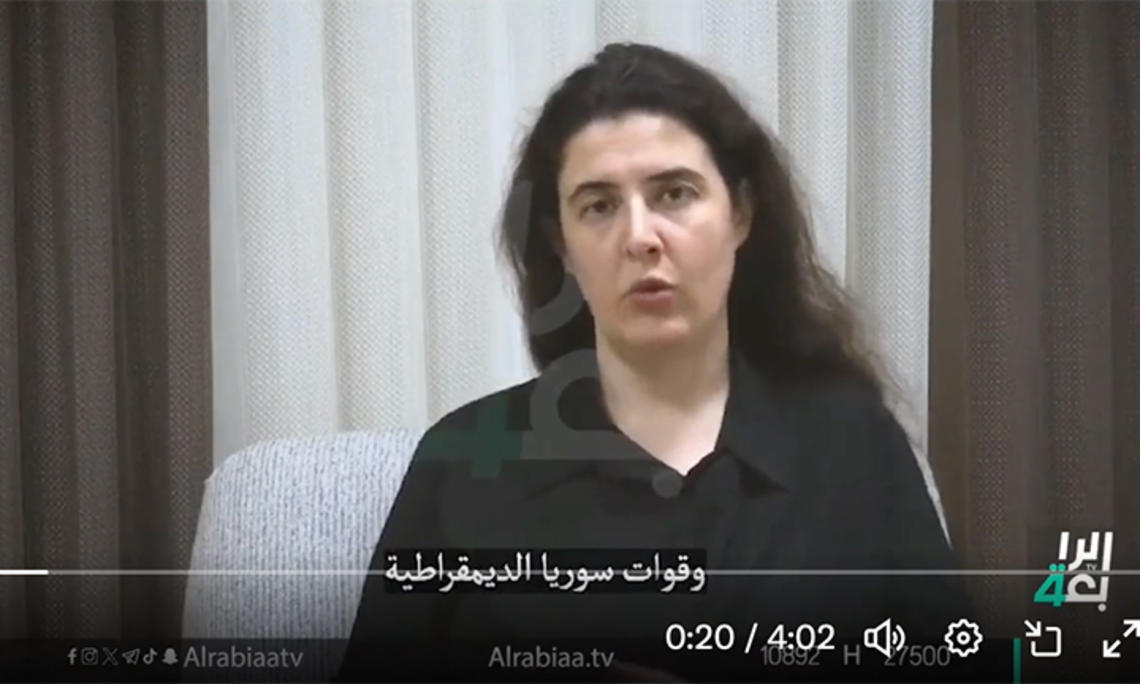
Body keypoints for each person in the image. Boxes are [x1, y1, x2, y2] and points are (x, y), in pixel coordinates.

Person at [335, 42, 972, 682]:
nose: (640, 236)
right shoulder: (466, 461)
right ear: (561, 243)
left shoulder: (850, 443)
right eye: (599, 205)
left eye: (674, 193)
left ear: (741, 214)